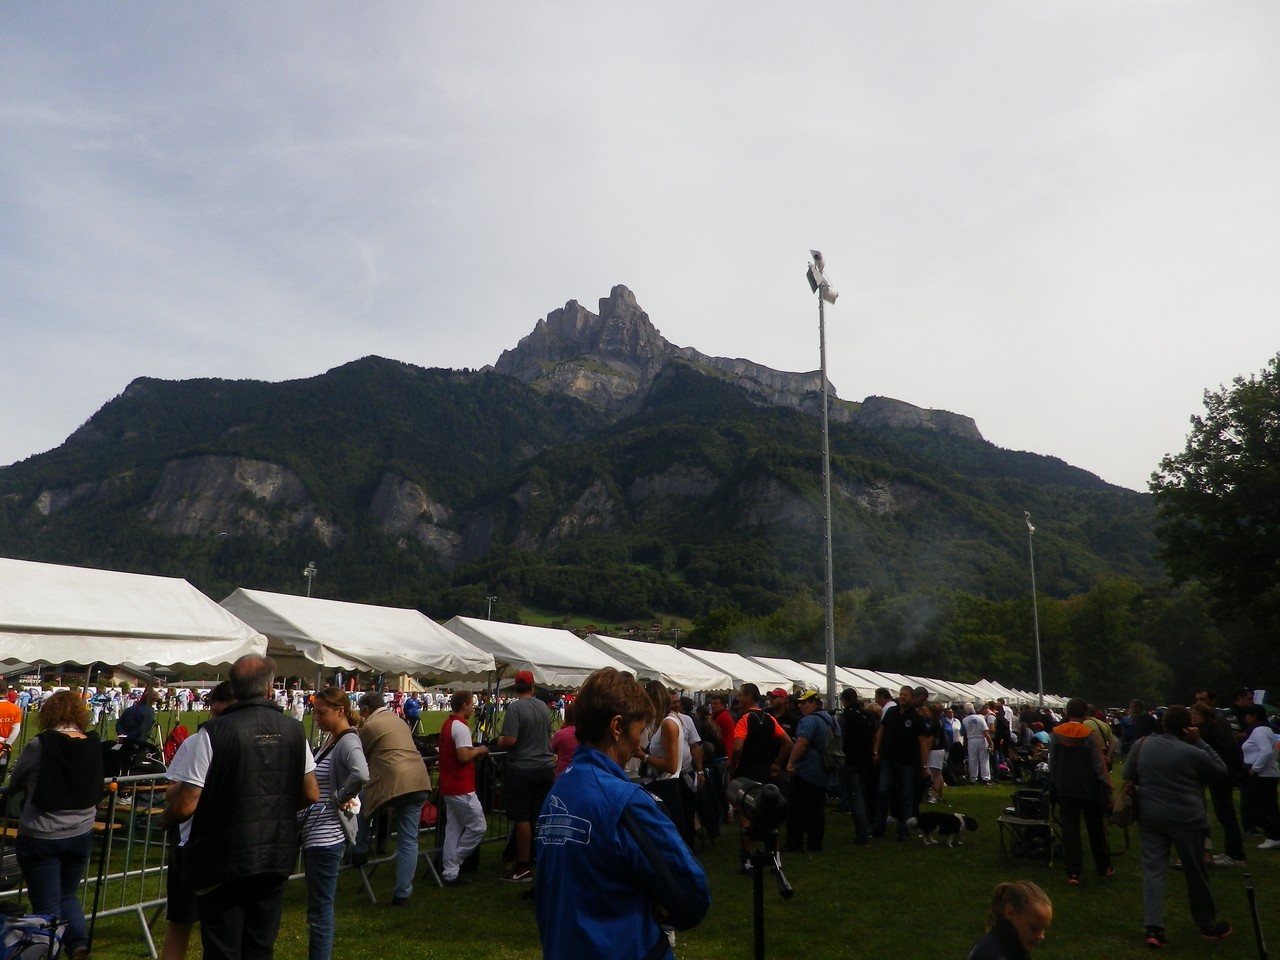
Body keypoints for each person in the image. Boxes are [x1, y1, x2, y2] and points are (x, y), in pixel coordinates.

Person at [535, 667, 710, 960]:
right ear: (617, 727)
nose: (639, 744)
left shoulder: (559, 789)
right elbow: (691, 895)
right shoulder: (624, 800)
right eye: (640, 731)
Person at [164, 657, 318, 960]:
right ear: (270, 687)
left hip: (225, 854)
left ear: (233, 687)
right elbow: (311, 793)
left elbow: (186, 804)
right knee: (260, 946)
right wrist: (277, 808)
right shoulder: (294, 730)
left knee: (223, 948)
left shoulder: (213, 733)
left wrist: (165, 820)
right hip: (275, 852)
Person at [1124, 704, 1231, 947]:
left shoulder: (1142, 745)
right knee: (1195, 871)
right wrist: (1201, 742)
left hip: (1150, 814)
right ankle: (1206, 923)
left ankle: (1153, 928)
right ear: (1188, 728)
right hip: (1187, 817)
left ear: (1162, 724)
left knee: (1153, 870)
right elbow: (1220, 770)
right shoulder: (1193, 752)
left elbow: (1128, 773)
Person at [8, 690, 104, 960]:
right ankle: (77, 944)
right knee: (67, 895)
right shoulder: (92, 743)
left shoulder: (40, 745)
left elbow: (16, 778)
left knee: (46, 906)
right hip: (80, 831)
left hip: (42, 833)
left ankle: (47, 952)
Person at [161, 681, 235, 960]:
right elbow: (172, 792)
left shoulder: (237, 739)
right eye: (213, 713)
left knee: (221, 930)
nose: (215, 720)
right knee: (180, 922)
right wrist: (194, 787)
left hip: (225, 845)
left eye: (222, 713)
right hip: (190, 842)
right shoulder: (196, 741)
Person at [300, 688, 368, 960]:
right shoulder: (333, 738)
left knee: (320, 911)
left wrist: (341, 796)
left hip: (326, 837)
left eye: (321, 712)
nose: (316, 717)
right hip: (316, 834)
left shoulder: (348, 741)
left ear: (340, 711)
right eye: (315, 712)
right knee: (318, 909)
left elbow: (362, 773)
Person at [356, 691, 431, 905]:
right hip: (418, 780)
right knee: (409, 841)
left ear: (366, 710)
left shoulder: (370, 726)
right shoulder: (399, 721)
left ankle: (359, 849)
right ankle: (402, 893)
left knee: (360, 801)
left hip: (395, 783)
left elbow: (359, 755)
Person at [495, 670, 555, 882]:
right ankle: (542, 858)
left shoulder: (515, 708)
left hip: (522, 768)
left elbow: (511, 740)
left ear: (515, 687)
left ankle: (523, 866)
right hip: (545, 767)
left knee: (522, 818)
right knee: (539, 816)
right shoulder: (543, 707)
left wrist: (500, 740)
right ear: (532, 686)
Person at [1048, 697, 1113, 885]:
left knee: (1070, 830)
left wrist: (1054, 782)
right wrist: (1106, 785)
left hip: (1066, 787)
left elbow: (1053, 764)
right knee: (1096, 829)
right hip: (1089, 787)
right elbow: (1098, 764)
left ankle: (1073, 872)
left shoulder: (1056, 734)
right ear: (1085, 714)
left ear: (1067, 713)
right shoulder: (1090, 734)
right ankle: (1103, 866)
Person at [729, 683, 791, 874]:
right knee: (769, 815)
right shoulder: (770, 718)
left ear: (749, 696)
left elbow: (738, 747)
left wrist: (733, 767)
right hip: (766, 771)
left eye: (740, 695)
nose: (738, 699)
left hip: (747, 772)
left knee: (745, 814)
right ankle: (776, 860)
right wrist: (776, 764)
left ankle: (748, 862)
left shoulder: (744, 719)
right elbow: (788, 742)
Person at [438, 690, 489, 886]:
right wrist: (480, 749)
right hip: (461, 786)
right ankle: (455, 861)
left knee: (453, 829)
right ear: (465, 705)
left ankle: (450, 872)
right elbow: (463, 756)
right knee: (478, 826)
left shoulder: (448, 724)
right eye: (471, 704)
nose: (473, 708)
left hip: (450, 785)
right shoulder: (460, 727)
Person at [1190, 694, 1247, 865]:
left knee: (1225, 813)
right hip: (1221, 773)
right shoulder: (1217, 725)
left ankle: (1235, 854)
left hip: (1221, 774)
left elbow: (1226, 750)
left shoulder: (1210, 731)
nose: (1193, 717)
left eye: (1196, 714)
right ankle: (1232, 852)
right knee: (1225, 813)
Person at [872, 685, 931, 840]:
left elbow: (923, 743)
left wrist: (924, 766)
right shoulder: (891, 712)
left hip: (908, 763)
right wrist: (876, 750)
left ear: (912, 698)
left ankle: (903, 830)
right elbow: (881, 732)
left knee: (905, 796)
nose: (903, 697)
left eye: (906, 695)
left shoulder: (916, 718)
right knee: (883, 792)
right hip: (888, 760)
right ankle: (879, 827)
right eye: (901, 694)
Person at [637, 680, 693, 846]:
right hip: (661, 785)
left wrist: (643, 756)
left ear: (654, 700)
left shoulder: (668, 723)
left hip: (665, 787)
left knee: (669, 839)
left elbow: (671, 765)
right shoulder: (665, 721)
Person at [784, 691, 837, 852]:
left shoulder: (810, 720)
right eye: (799, 703)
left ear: (814, 703)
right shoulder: (830, 719)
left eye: (805, 703)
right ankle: (815, 844)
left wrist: (791, 763)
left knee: (797, 811)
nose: (801, 706)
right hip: (824, 771)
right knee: (816, 811)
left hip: (807, 772)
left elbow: (802, 742)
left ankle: (795, 844)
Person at [967, 880, 1053, 959]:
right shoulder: (991, 954)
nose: (1041, 936)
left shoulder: (1014, 949)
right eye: (1034, 928)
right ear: (1010, 912)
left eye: (1043, 929)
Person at [1241, 704, 1280, 850]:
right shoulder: (1268, 730)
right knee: (1271, 807)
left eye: (1247, 715)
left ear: (1254, 716)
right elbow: (1274, 750)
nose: (1245, 718)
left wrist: (1254, 769)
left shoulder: (1259, 731)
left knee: (1255, 806)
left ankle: (1272, 833)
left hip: (1261, 775)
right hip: (1270, 773)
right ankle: (1275, 835)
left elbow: (1265, 751)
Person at [962, 703, 993, 785]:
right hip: (981, 739)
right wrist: (991, 743)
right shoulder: (981, 718)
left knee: (972, 760)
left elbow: (963, 733)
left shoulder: (964, 720)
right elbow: (986, 732)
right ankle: (985, 778)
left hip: (971, 740)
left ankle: (973, 778)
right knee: (984, 760)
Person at [550, 700, 577, 778]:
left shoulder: (561, 734)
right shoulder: (587, 735)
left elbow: (552, 750)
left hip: (562, 773)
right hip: (583, 775)